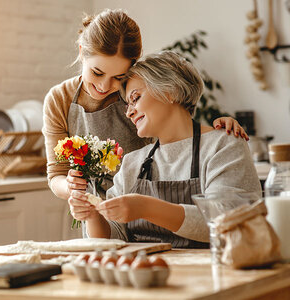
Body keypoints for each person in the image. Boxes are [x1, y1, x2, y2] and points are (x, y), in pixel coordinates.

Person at [42, 9, 247, 208]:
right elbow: (56, 174)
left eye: (118, 77)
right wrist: (72, 187)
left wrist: (215, 132)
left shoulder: (138, 92)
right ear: (81, 52)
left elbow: (177, 134)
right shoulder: (60, 100)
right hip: (96, 212)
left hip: (149, 209)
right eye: (97, 73)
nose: (105, 86)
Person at [74, 51, 261, 247]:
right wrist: (93, 216)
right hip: (148, 274)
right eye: (127, 104)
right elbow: (114, 236)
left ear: (169, 91)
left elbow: (227, 221)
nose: (129, 112)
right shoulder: (132, 163)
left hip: (212, 272)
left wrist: (146, 207)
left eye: (135, 98)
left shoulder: (223, 145)